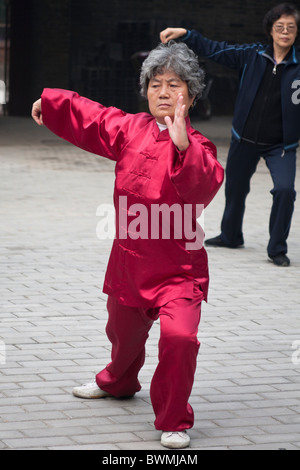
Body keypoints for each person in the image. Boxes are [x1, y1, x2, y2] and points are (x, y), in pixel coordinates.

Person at [32, 42, 224, 449]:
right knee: (122, 335)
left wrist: (183, 145)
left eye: (175, 85)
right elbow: (95, 118)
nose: (164, 92)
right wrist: (50, 105)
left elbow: (204, 186)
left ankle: (174, 419)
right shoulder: (131, 129)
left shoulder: (200, 147)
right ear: (145, 90)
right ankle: (118, 382)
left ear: (191, 94)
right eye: (156, 84)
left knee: (180, 339)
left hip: (178, 272)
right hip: (130, 264)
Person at [161, 2, 300, 267]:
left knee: (285, 191)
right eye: (279, 27)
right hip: (244, 138)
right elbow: (216, 49)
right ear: (270, 30)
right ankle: (231, 235)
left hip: (280, 145)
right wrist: (188, 35)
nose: (284, 32)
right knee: (235, 189)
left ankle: (277, 249)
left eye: (290, 28)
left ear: (295, 33)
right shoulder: (252, 54)